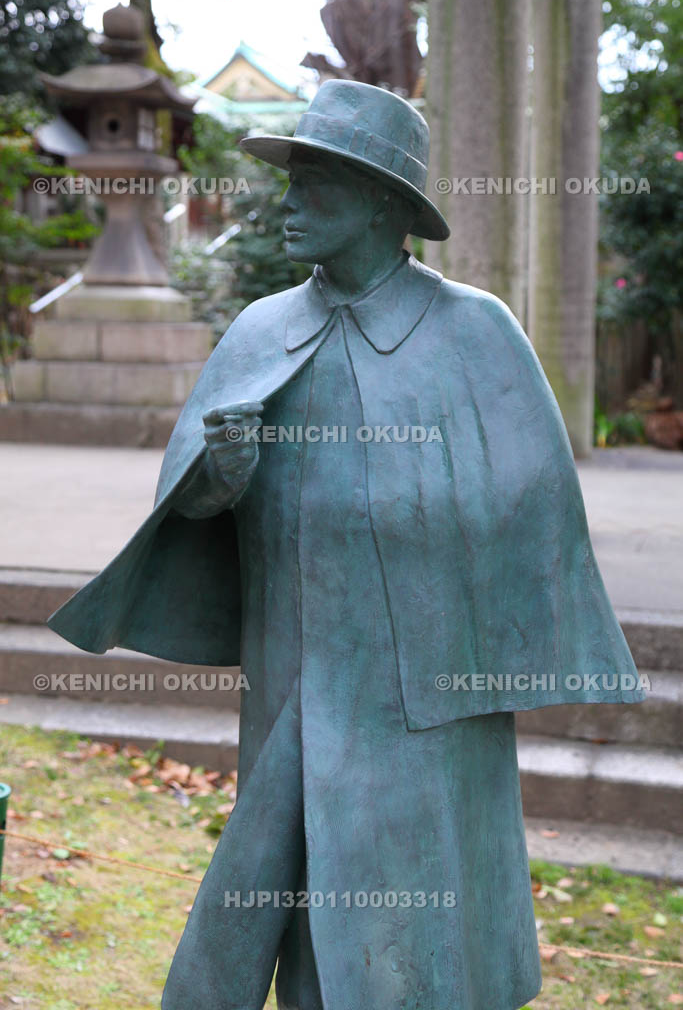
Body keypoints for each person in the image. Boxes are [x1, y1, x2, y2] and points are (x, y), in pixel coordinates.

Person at [49, 80, 644, 1010]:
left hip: (427, 688)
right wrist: (220, 477)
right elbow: (189, 501)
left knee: (421, 912)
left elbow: (531, 515)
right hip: (292, 669)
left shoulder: (473, 334)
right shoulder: (261, 329)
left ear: (380, 201)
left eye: (312, 184)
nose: (285, 204)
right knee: (299, 896)